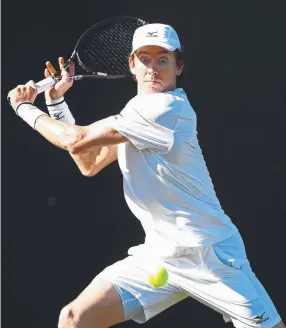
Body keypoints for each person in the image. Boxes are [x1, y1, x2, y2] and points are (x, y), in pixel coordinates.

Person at [7, 23, 284, 328]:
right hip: (158, 255)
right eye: (145, 59)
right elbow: (89, 162)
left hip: (211, 256)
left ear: (178, 67)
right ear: (132, 65)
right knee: (74, 319)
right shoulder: (135, 111)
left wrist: (23, 107)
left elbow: (75, 140)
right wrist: (56, 101)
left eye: (162, 59)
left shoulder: (168, 109)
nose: (153, 68)